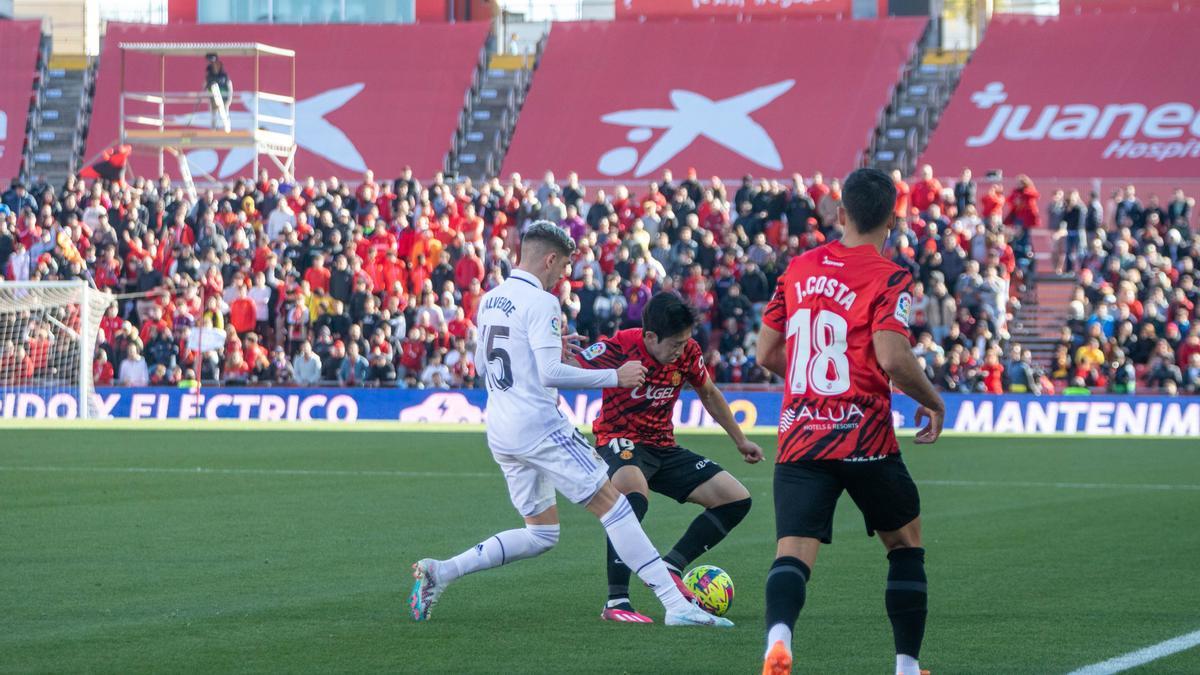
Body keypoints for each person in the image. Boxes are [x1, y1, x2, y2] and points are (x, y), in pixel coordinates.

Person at [409, 221, 730, 628]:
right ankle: (676, 604)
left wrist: (551, 350)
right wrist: (616, 376)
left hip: (502, 427)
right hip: (540, 426)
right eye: (563, 267)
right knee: (616, 508)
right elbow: (548, 374)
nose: (564, 276)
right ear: (550, 258)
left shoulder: (490, 300)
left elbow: (504, 357)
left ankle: (442, 571)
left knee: (541, 533)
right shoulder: (542, 302)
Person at [755, 168, 945, 675]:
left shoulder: (796, 269)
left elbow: (766, 351)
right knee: (905, 545)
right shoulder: (890, 276)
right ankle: (906, 666)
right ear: (892, 221)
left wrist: (810, 387)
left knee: (792, 553)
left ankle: (779, 642)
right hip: (865, 438)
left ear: (840, 215)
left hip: (800, 436)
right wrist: (932, 401)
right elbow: (893, 355)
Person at [575, 292, 764, 623]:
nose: (681, 349)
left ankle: (672, 564)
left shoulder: (688, 352)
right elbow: (572, 366)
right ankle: (617, 601)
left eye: (684, 342)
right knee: (633, 495)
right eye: (675, 343)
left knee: (736, 499)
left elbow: (708, 392)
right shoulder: (621, 345)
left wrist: (741, 440)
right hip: (619, 441)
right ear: (650, 336)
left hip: (663, 447)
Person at [204, 53, 233, 130]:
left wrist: (228, 101)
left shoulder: (224, 76)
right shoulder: (209, 75)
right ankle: (213, 130)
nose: (214, 66)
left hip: (224, 99)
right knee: (214, 116)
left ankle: (226, 130)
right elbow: (207, 88)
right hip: (213, 100)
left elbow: (229, 87)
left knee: (224, 115)